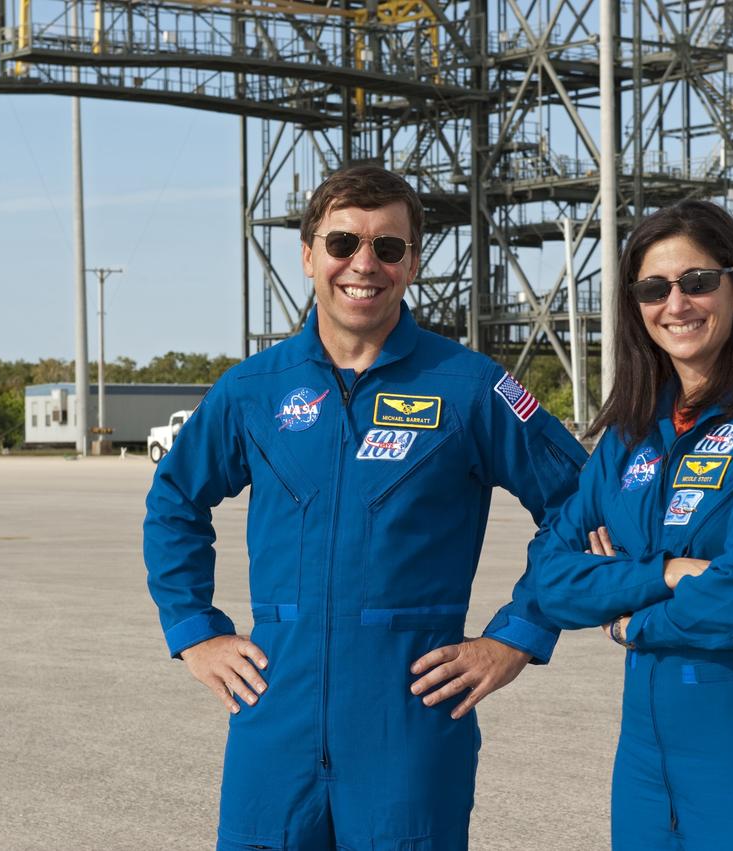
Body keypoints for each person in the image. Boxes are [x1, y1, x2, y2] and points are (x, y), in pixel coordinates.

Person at [143, 165, 587, 850]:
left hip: (408, 722)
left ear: (411, 264)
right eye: (343, 242)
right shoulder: (252, 390)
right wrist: (193, 628)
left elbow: (579, 501)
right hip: (274, 718)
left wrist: (517, 635)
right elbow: (174, 498)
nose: (363, 264)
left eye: (388, 247)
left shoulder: (470, 388)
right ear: (308, 255)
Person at [536, 200, 733, 850]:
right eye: (654, 288)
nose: (675, 303)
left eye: (696, 281)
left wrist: (631, 615)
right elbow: (551, 574)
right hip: (647, 752)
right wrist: (665, 574)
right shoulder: (628, 436)